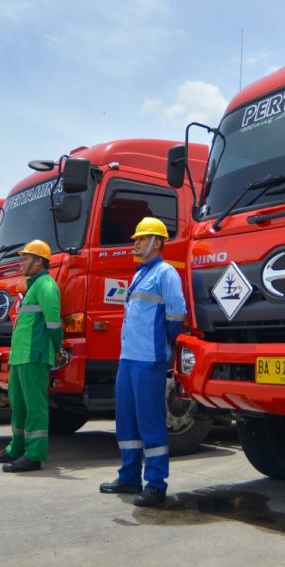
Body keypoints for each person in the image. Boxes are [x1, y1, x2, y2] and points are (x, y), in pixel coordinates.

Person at [99, 217, 186, 508]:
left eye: (141, 238)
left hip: (149, 359)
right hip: (128, 358)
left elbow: (176, 317)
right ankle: (129, 476)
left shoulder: (166, 273)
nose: (135, 242)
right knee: (126, 420)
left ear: (157, 242)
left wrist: (162, 346)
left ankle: (156, 484)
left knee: (150, 423)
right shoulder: (138, 274)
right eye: (136, 238)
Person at [0, 240, 62, 472]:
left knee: (34, 406)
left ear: (39, 261)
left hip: (34, 354)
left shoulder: (46, 286)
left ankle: (34, 454)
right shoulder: (33, 286)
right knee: (18, 405)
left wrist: (57, 349)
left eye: (27, 258)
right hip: (21, 355)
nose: (23, 262)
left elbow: (53, 323)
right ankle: (16, 448)